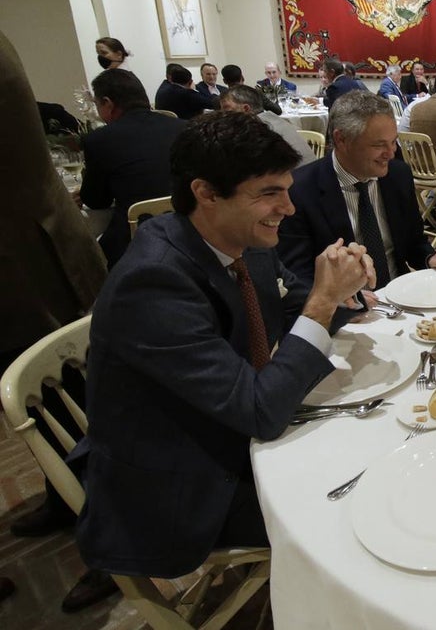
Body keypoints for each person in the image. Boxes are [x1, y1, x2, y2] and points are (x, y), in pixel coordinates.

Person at [74, 111, 373, 579]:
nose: (289, 209)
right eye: (269, 194)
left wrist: (347, 287)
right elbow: (260, 410)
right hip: (182, 489)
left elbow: (299, 300)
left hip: (232, 427)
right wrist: (322, 302)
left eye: (287, 190)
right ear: (206, 193)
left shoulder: (242, 241)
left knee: (373, 445)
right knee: (358, 510)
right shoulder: (154, 282)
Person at [2, 28, 112, 613]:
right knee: (68, 400)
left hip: (28, 257)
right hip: (31, 247)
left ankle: (110, 541)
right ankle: (63, 498)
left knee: (76, 399)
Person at [278, 91, 436, 289]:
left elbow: (414, 242)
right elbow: (297, 275)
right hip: (341, 305)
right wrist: (346, 299)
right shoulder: (299, 190)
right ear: (341, 139)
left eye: (393, 142)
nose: (390, 154)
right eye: (379, 145)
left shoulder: (398, 175)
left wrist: (430, 257)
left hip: (398, 294)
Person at [80, 68, 187, 267]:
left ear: (108, 103)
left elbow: (96, 200)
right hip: (191, 228)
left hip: (137, 237)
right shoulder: (184, 127)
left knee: (86, 255)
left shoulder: (99, 139)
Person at [219, 85, 315, 167]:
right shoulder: (275, 120)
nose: (223, 115)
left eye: (226, 109)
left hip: (294, 184)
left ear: (246, 109)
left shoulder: (255, 131)